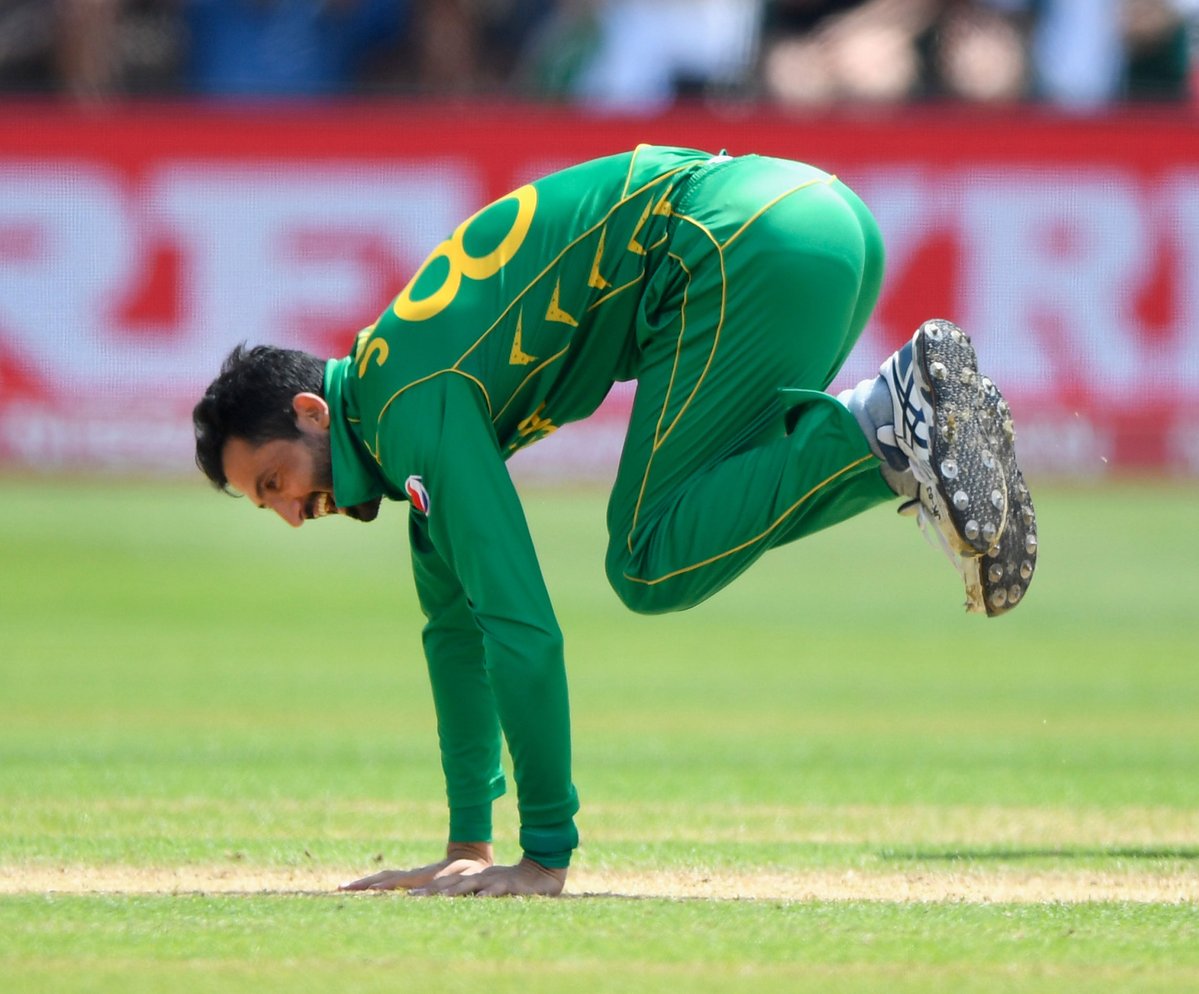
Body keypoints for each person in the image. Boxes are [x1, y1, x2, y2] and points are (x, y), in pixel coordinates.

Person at [192, 144, 1037, 897]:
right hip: (824, 221)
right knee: (713, 507)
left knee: (647, 557)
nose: (291, 514)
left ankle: (883, 422)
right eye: (268, 505)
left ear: (311, 413)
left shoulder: (407, 405)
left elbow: (518, 624)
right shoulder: (389, 398)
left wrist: (543, 853)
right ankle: (893, 431)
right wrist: (465, 845)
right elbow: (453, 629)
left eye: (275, 482)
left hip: (735, 242)